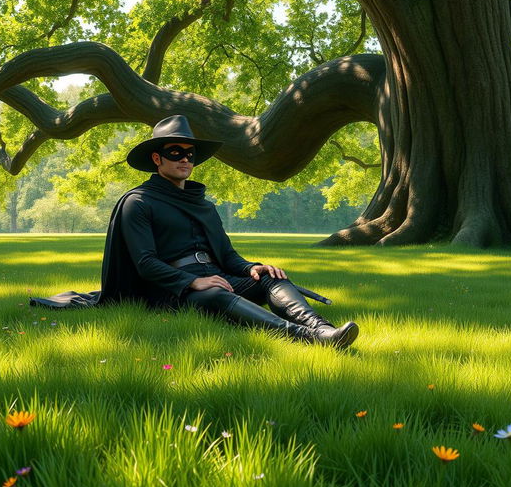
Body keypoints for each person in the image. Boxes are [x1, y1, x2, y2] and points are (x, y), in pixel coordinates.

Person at [100, 114, 359, 348]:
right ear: (157, 158)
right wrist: (192, 281)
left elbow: (227, 255)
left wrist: (251, 268)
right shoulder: (138, 202)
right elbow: (146, 263)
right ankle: (305, 337)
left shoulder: (204, 206)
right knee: (216, 294)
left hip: (215, 276)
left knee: (271, 278)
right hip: (172, 291)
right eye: (175, 152)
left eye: (190, 154)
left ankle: (322, 329)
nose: (185, 159)